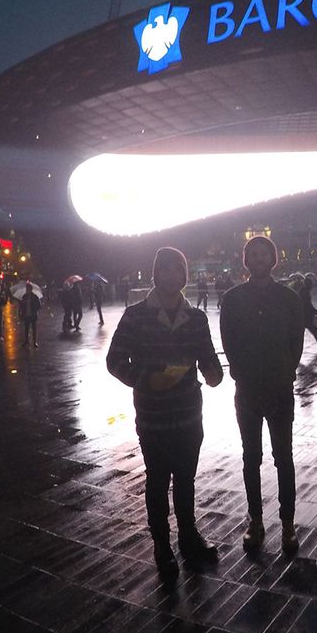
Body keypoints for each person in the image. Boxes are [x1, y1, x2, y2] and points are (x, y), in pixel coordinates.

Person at [107, 247, 223, 580]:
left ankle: (188, 536)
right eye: (167, 270)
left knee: (186, 479)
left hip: (189, 414)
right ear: (157, 274)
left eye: (179, 270)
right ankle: (162, 544)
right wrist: (147, 380)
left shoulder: (197, 318)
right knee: (157, 481)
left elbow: (208, 360)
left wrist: (214, 374)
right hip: (154, 416)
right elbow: (115, 361)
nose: (174, 276)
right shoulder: (136, 315)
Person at [220, 236, 305, 556]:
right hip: (248, 391)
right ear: (246, 260)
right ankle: (255, 520)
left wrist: (286, 369)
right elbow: (228, 340)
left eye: (263, 253)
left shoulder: (289, 298)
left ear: (273, 258)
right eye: (252, 254)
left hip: (280, 389)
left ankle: (287, 523)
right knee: (250, 457)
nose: (258, 258)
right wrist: (240, 371)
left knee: (284, 457)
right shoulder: (232, 299)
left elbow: (296, 341)